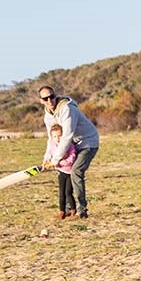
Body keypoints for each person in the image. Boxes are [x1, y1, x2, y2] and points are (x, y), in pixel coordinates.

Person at [39, 86, 100, 219]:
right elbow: (51, 138)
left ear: (55, 95)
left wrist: (55, 161)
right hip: (74, 145)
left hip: (88, 142)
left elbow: (67, 136)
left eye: (51, 96)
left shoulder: (67, 109)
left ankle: (81, 210)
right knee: (63, 173)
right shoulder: (48, 115)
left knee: (76, 171)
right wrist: (47, 158)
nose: (49, 100)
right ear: (41, 101)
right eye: (45, 98)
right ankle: (67, 210)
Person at [44, 123, 77, 219]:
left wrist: (58, 163)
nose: (57, 138)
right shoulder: (52, 146)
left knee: (68, 193)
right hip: (61, 172)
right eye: (55, 136)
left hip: (70, 172)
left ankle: (73, 210)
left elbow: (72, 159)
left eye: (59, 136)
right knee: (61, 193)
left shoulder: (69, 146)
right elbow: (49, 154)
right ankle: (62, 212)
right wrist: (47, 161)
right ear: (52, 137)